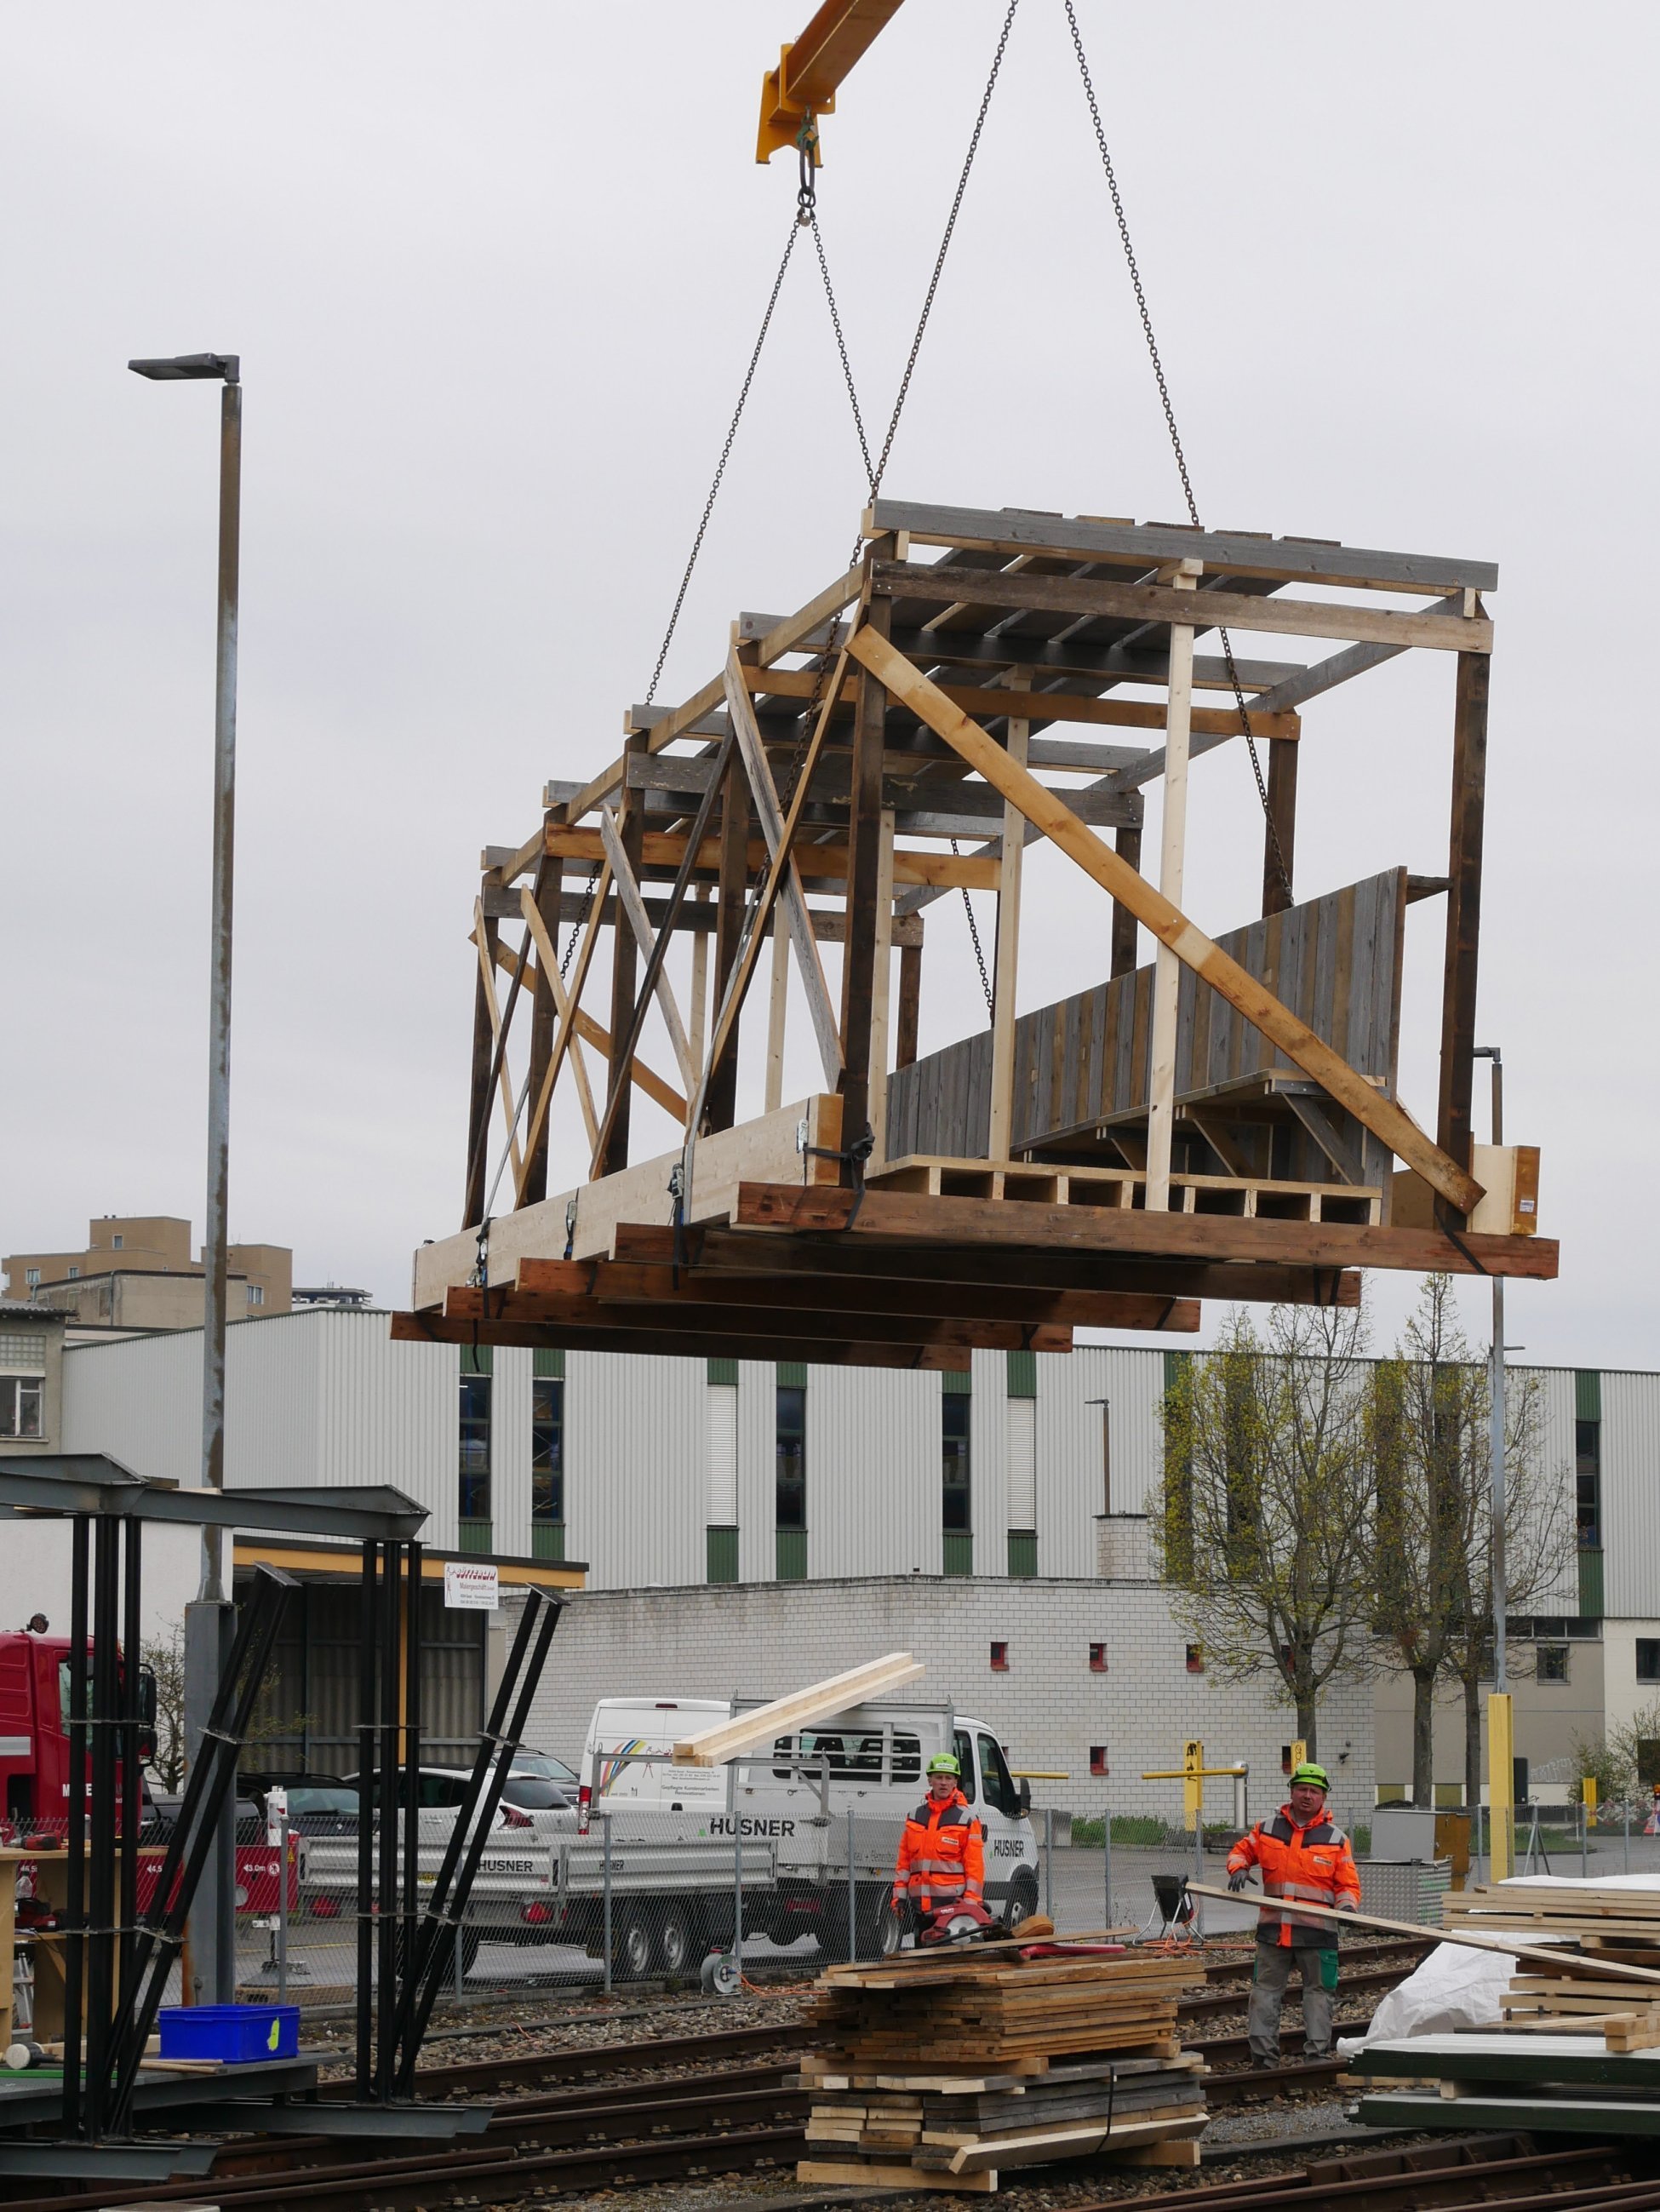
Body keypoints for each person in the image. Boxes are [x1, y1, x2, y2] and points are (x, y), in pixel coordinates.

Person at [1225, 1761, 1360, 2066]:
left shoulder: (1336, 1839)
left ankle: (1316, 2057)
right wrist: (1239, 1868)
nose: (1307, 1796)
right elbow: (1240, 1851)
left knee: (1319, 1995)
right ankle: (1263, 2060)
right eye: (1302, 1789)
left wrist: (1347, 1907)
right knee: (1264, 1994)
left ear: (1323, 1797)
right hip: (1274, 1932)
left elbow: (1347, 1885)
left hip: (1318, 1934)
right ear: (1292, 1791)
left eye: (1314, 1791)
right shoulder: (1267, 1829)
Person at [891, 1751, 985, 1928]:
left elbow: (975, 1866)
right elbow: (903, 1864)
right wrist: (899, 1898)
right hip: (919, 1908)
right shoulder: (914, 1816)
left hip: (954, 1908)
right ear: (930, 1780)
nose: (943, 1782)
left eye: (948, 1778)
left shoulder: (967, 1819)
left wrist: (971, 1901)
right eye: (939, 1777)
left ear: (955, 1782)